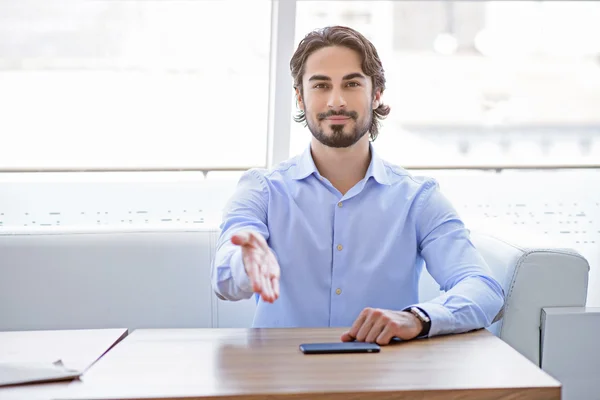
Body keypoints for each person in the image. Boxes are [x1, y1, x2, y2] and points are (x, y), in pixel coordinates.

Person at [211, 25, 504, 345]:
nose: (336, 101)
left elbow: (482, 287)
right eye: (321, 85)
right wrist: (246, 262)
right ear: (300, 97)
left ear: (376, 94)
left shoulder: (418, 199)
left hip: (382, 380)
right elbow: (224, 279)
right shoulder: (261, 190)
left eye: (351, 84)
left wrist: (415, 318)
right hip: (281, 379)